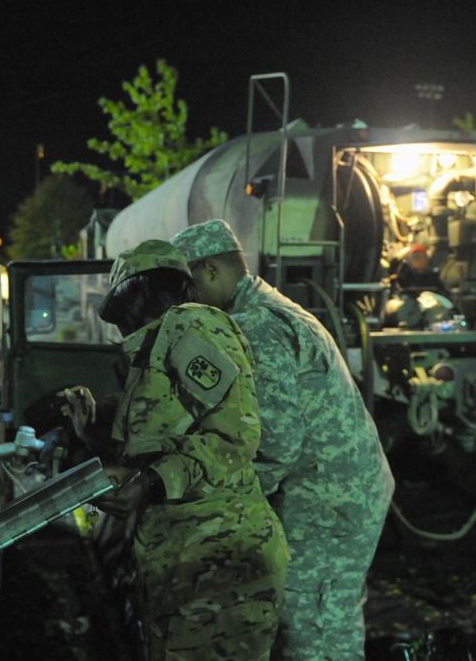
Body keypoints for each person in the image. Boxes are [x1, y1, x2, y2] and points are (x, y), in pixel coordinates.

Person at [170, 220, 395, 661]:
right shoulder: (269, 306)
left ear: (211, 270)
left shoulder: (255, 325)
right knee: (324, 617)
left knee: (310, 629)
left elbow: (277, 444)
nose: (185, 299)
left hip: (326, 501)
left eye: (187, 284)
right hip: (337, 490)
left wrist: (217, 506)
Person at [87, 239, 289, 660]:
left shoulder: (188, 324)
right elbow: (163, 440)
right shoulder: (156, 347)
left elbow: (235, 435)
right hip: (188, 562)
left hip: (222, 564)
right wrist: (91, 430)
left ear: (137, 295)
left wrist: (149, 484)